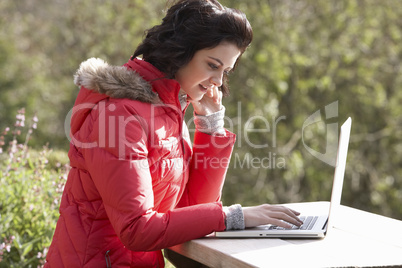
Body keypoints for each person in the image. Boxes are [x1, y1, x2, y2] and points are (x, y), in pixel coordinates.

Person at [45, 0, 303, 267]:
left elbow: (188, 210)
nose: (218, 81)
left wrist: (211, 126)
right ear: (181, 50)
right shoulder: (119, 116)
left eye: (226, 71)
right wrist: (233, 216)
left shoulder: (167, 110)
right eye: (212, 65)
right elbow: (137, 228)